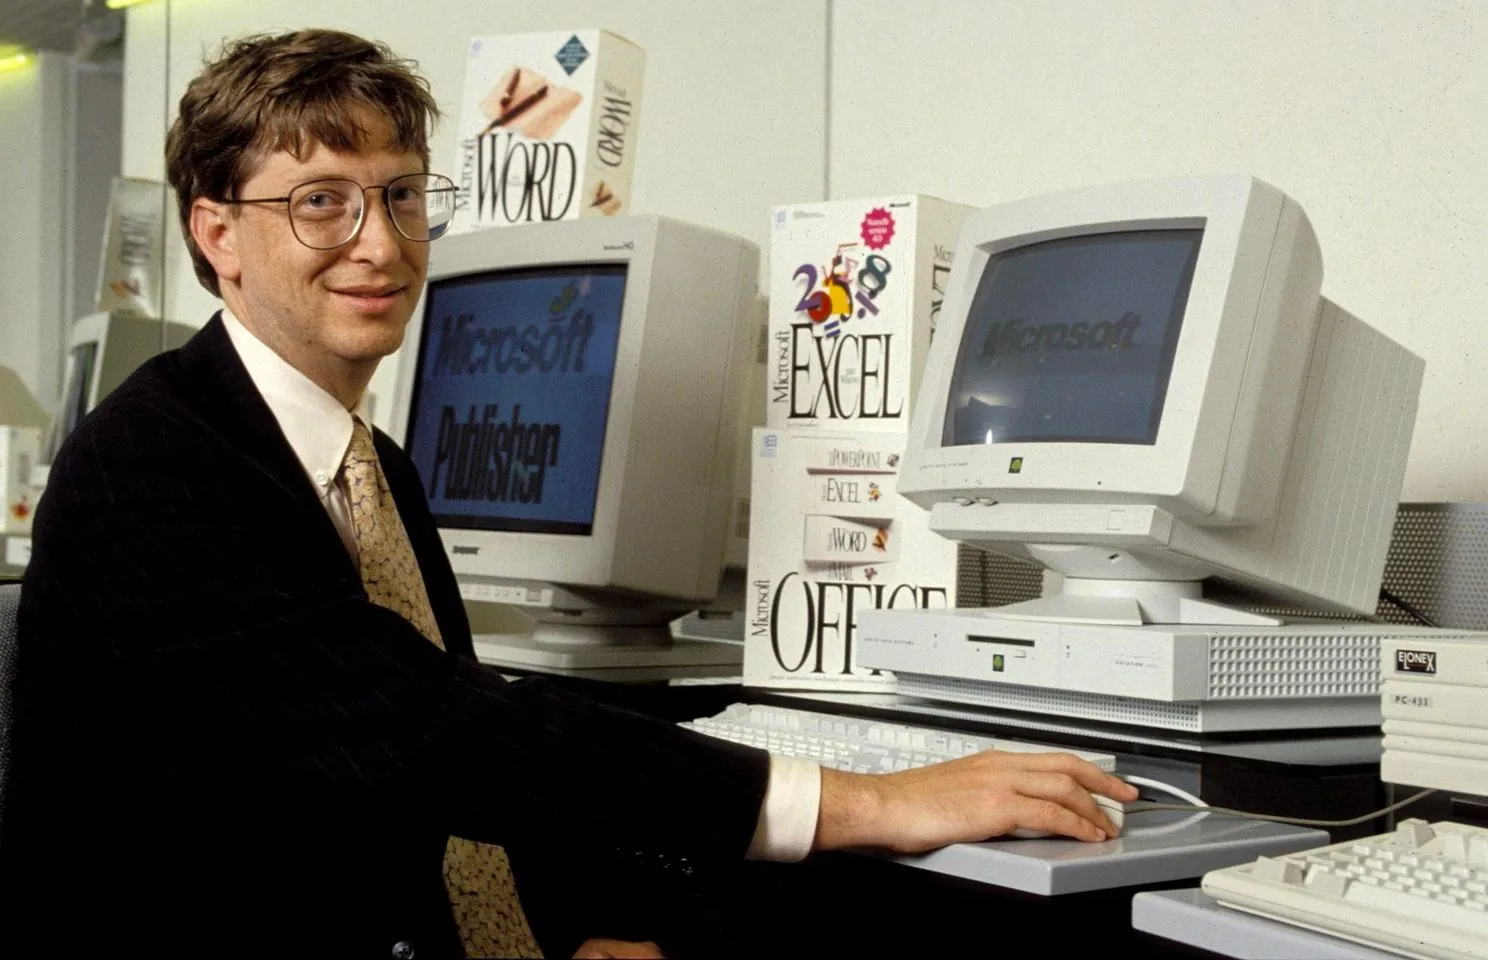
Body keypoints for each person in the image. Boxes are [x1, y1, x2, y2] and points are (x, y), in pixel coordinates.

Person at [0, 28, 1136, 960]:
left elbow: (441, 755)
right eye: (320, 203)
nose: (379, 244)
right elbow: (429, 737)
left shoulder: (367, 463)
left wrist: (560, 929)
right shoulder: (149, 463)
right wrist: (874, 803)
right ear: (217, 234)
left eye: (400, 195)